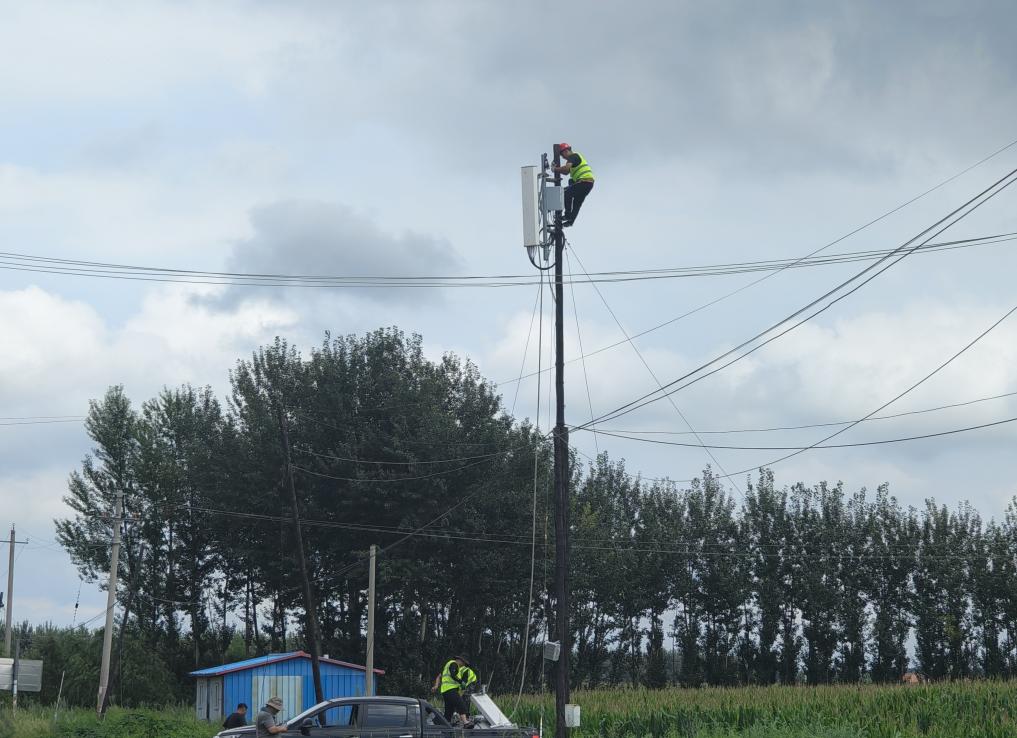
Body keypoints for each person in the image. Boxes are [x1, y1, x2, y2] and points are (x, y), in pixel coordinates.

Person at [551, 143, 595, 227]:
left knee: (565, 193)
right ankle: (570, 221)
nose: (562, 157)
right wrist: (557, 170)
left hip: (583, 182)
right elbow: (566, 172)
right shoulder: (576, 159)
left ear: (566, 151)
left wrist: (555, 169)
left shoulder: (573, 156)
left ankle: (567, 215)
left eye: (562, 154)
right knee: (577, 203)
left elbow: (566, 169)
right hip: (588, 184)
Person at [432, 655, 470, 723]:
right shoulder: (454, 664)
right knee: (461, 704)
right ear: (459, 660)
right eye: (463, 663)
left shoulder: (447, 667)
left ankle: (442, 724)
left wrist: (436, 686)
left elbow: (439, 676)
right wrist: (461, 682)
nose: (463, 665)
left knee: (449, 711)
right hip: (450, 690)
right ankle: (465, 722)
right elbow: (453, 675)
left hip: (445, 691)